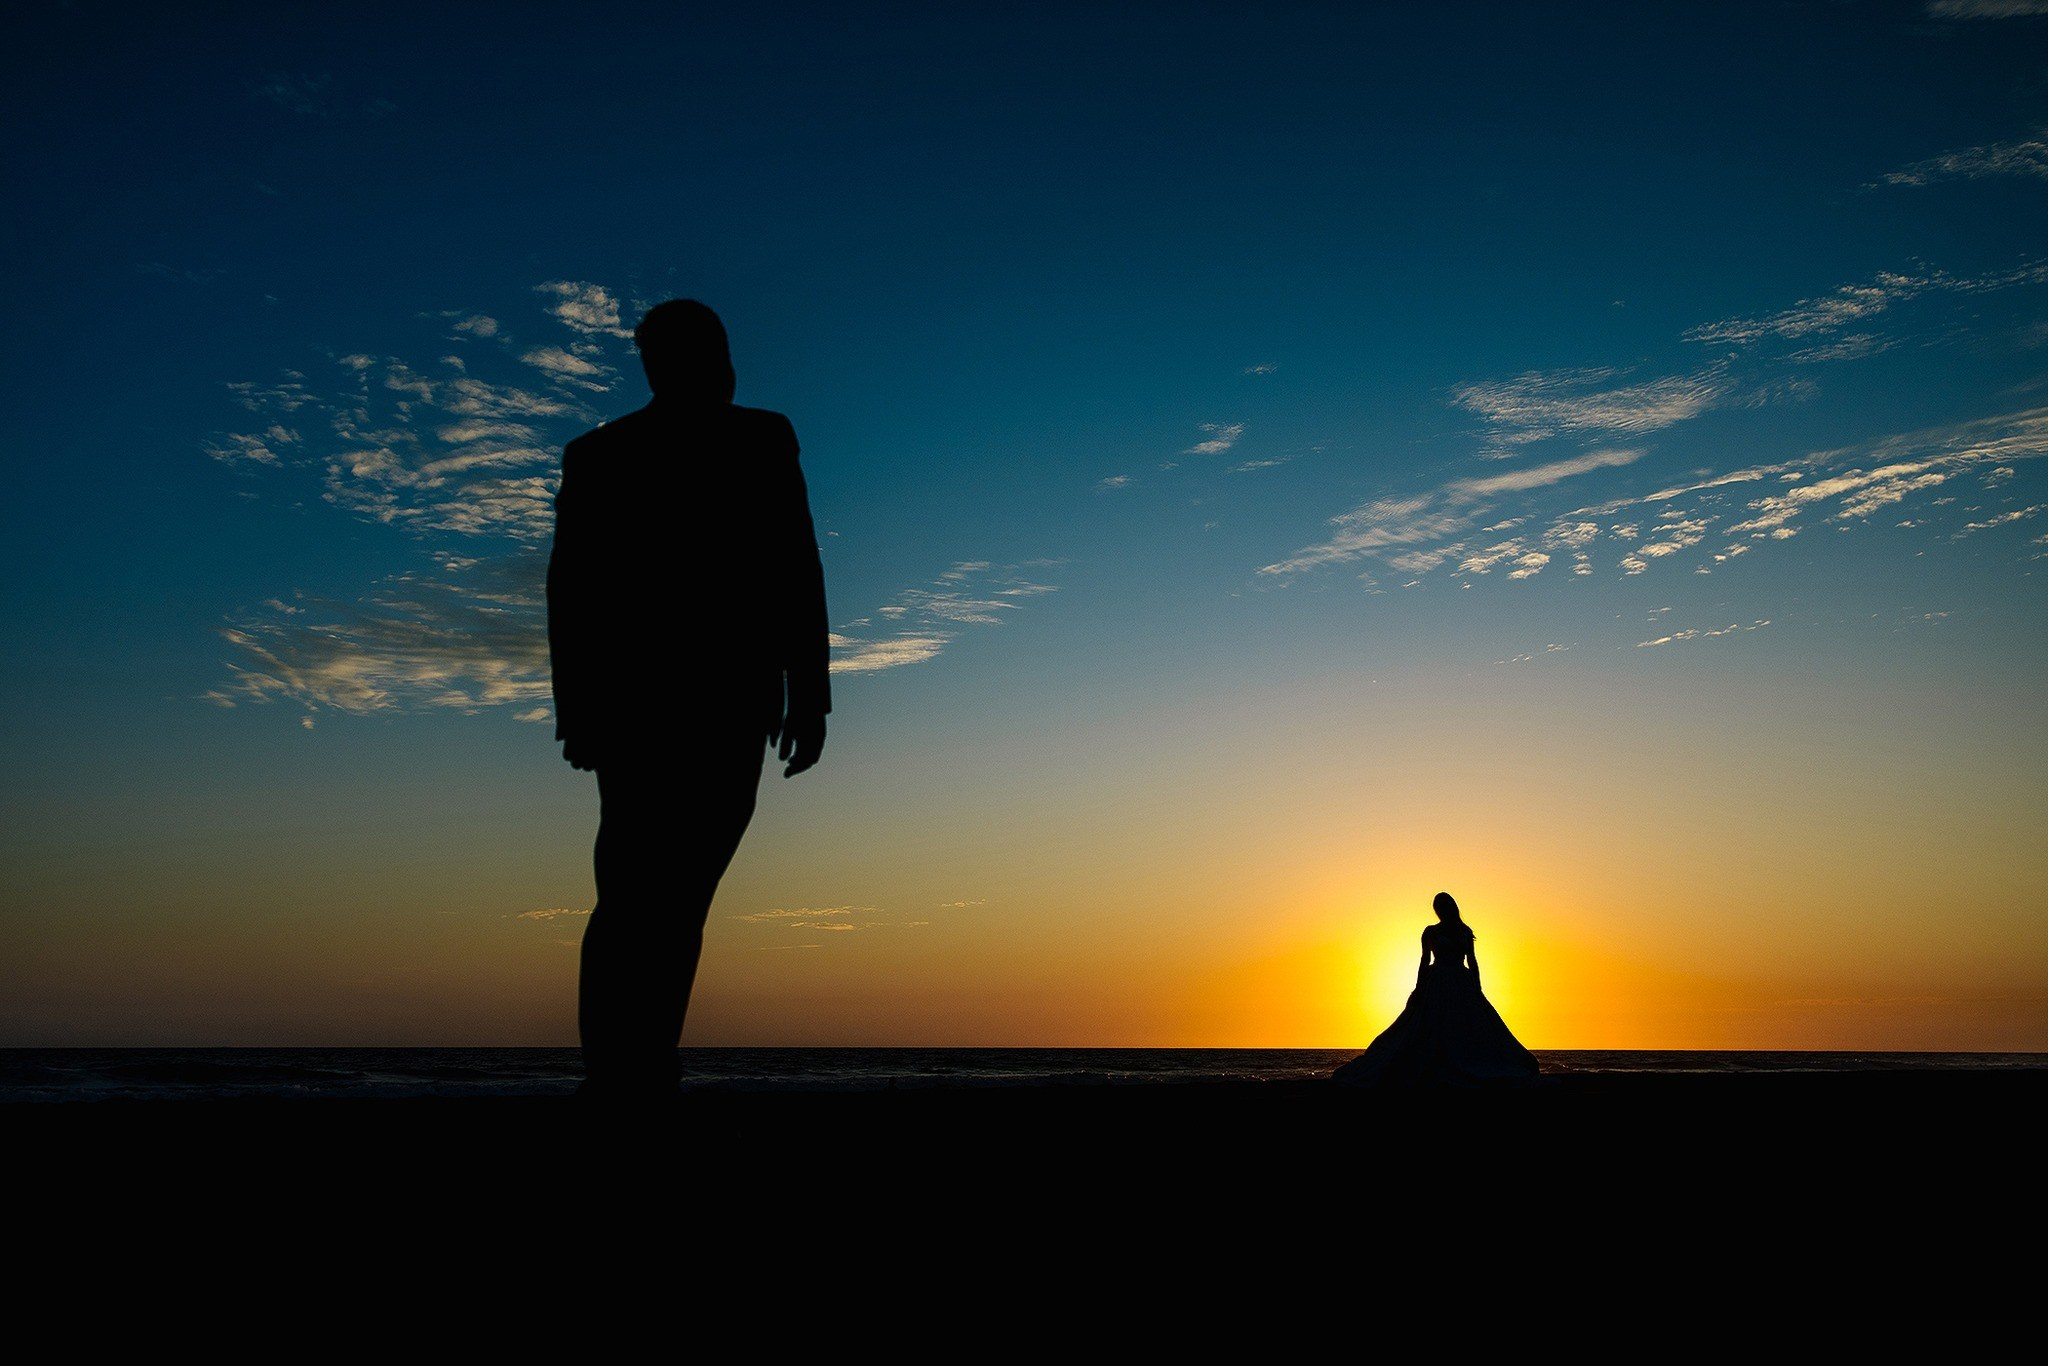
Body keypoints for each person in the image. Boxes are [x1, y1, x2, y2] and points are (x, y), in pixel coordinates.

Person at [546, 299, 831, 1099]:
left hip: (724, 702)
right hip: (650, 708)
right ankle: (623, 1072)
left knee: (669, 893)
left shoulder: (759, 437)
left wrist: (810, 696)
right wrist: (578, 710)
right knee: (638, 892)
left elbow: (795, 566)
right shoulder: (603, 455)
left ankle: (636, 1065)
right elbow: (572, 590)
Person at [1333, 891, 1540, 1086]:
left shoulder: (1465, 931)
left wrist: (1477, 988)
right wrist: (1419, 988)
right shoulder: (1431, 931)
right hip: (1436, 981)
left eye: (1443, 906)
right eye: (1438, 907)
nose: (1440, 910)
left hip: (1462, 981)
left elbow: (1472, 961)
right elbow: (1424, 960)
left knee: (1468, 1024)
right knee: (1425, 1023)